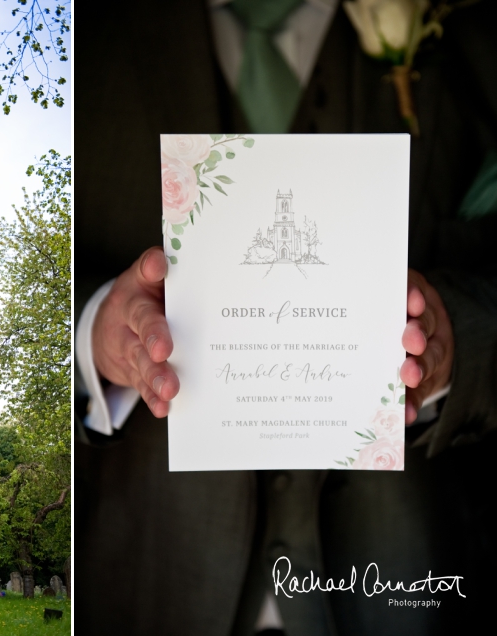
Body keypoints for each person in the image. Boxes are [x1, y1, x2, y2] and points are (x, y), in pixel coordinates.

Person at [75, 1, 497, 634]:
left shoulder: (473, 34)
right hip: (154, 575)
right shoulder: (89, 35)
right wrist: (91, 335)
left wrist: (455, 340)